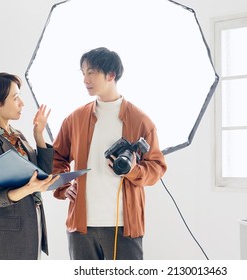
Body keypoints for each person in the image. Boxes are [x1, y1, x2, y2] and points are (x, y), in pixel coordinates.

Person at [52, 47, 167, 260]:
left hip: (124, 225)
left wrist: (133, 170)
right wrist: (64, 187)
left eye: (91, 72)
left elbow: (157, 167)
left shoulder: (140, 120)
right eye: (83, 73)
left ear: (111, 75)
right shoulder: (75, 119)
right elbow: (57, 157)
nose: (85, 79)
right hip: (81, 226)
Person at [0, 72, 58, 260]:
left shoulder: (17, 135)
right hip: (9, 236)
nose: (22, 103)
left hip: (31, 226)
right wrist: (29, 188)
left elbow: (42, 173)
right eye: (15, 97)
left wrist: (38, 134)